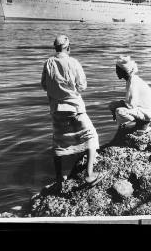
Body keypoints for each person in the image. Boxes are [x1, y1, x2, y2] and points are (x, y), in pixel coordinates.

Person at [41, 35, 103, 192]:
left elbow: (44, 85)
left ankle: (58, 180)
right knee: (91, 136)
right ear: (68, 48)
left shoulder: (48, 63)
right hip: (75, 108)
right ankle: (89, 174)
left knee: (58, 143)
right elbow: (82, 86)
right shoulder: (74, 62)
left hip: (56, 110)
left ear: (55, 48)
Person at [109, 56, 151, 134]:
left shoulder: (133, 82)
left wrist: (118, 111)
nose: (116, 72)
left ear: (124, 70)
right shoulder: (130, 80)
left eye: (118, 70)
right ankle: (130, 126)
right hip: (140, 109)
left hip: (146, 112)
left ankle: (139, 126)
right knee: (113, 105)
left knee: (119, 111)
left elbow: (131, 105)